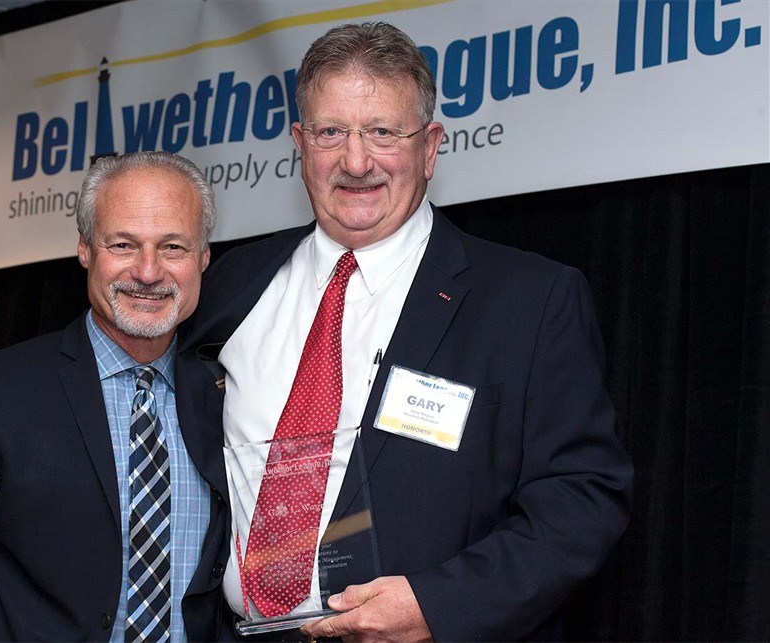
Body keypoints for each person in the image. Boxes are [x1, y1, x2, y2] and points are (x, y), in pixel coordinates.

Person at [181, 22, 634, 641]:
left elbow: (583, 499)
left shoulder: (529, 301)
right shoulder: (232, 285)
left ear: (430, 146)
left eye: (383, 132)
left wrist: (438, 606)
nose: (356, 161)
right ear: (298, 142)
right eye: (330, 132)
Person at [0, 151, 231, 641]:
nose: (149, 271)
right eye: (123, 244)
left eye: (173, 247)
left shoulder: (233, 398)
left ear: (203, 258)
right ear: (85, 249)